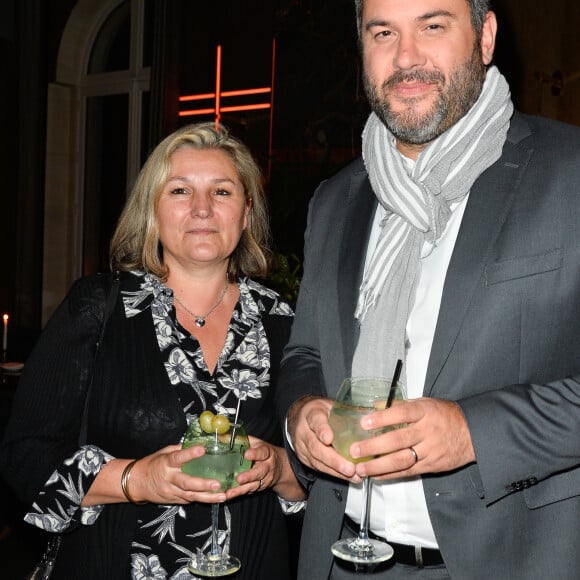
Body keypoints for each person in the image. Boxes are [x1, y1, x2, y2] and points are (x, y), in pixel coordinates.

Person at [275, 0, 580, 578]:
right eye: (383, 31)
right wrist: (300, 415)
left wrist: (475, 433)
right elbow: (304, 354)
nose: (405, 57)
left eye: (433, 26)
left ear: (485, 36)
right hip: (340, 559)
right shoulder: (336, 200)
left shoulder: (570, 175)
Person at [0, 122, 306, 579]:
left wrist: (281, 469)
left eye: (222, 192)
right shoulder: (96, 307)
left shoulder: (285, 321)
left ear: (245, 215)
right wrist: (137, 479)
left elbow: (323, 476)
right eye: (180, 191)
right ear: (152, 212)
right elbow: (24, 457)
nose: (202, 209)